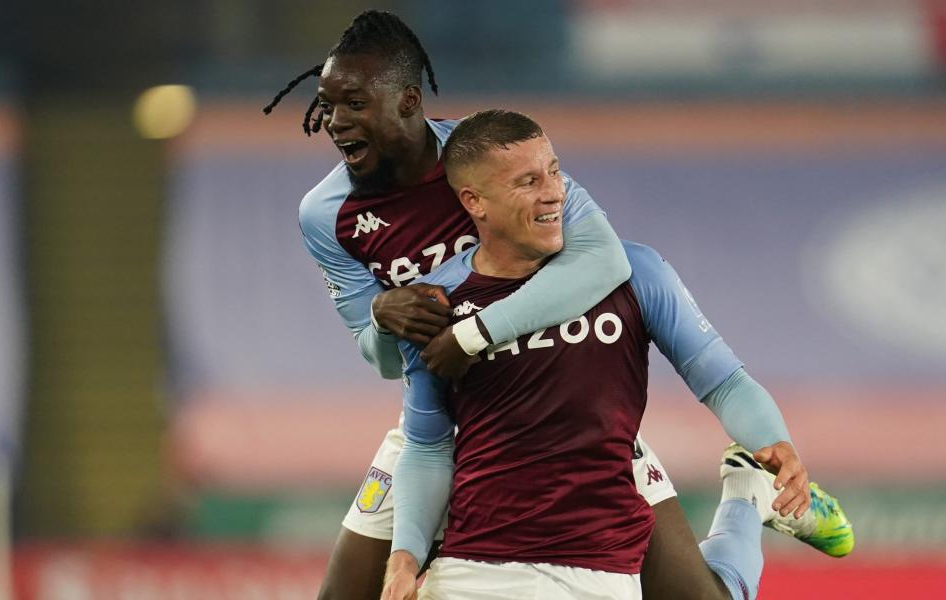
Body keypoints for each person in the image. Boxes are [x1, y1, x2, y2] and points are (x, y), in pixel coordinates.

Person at [264, 11, 853, 600]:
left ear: (408, 102)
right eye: (329, 104)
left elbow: (609, 263)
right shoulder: (327, 215)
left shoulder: (495, 154)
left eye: (355, 104)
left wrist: (474, 334)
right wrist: (381, 316)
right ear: (473, 201)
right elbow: (390, 363)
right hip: (453, 423)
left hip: (576, 421)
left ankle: (747, 493)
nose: (335, 123)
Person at [379, 109, 816, 600]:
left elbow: (724, 382)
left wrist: (775, 439)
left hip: (598, 572)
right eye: (528, 181)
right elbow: (427, 446)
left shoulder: (635, 273)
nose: (553, 192)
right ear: (474, 201)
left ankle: (746, 493)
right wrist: (405, 557)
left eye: (555, 171)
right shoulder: (436, 303)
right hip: (471, 569)